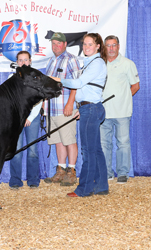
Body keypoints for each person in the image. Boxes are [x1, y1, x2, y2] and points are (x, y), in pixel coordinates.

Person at [51, 33, 109, 197]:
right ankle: (101, 186)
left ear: (98, 46)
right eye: (84, 44)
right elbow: (88, 89)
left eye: (90, 44)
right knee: (95, 150)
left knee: (88, 151)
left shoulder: (96, 63)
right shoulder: (91, 63)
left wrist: (57, 79)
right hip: (89, 108)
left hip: (90, 109)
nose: (86, 47)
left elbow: (78, 84)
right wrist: (79, 108)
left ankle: (84, 188)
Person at [100, 35, 140, 184]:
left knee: (123, 142)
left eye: (114, 45)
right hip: (104, 111)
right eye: (108, 46)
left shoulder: (127, 63)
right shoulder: (100, 64)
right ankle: (107, 172)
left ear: (118, 46)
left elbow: (135, 85)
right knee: (104, 144)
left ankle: (123, 173)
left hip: (122, 111)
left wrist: (124, 98)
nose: (111, 48)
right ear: (104, 47)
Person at [43, 32, 80, 186]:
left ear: (65, 44)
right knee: (58, 141)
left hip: (65, 108)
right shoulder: (51, 61)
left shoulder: (71, 60)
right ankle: (61, 169)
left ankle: (71, 171)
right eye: (54, 43)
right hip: (52, 109)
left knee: (69, 140)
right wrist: (45, 103)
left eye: (59, 43)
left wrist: (71, 103)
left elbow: (77, 83)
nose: (56, 46)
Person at [8, 51, 41, 190]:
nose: (23, 63)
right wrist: (19, 118)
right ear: (16, 62)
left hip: (32, 118)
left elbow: (39, 99)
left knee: (32, 149)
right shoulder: (12, 78)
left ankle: (33, 179)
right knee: (16, 149)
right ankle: (15, 180)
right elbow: (10, 101)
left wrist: (30, 117)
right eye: (20, 60)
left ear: (30, 61)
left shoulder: (36, 77)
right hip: (17, 119)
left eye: (25, 60)